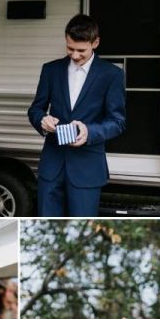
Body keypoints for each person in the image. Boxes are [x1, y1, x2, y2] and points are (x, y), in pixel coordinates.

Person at [27, 13, 126, 216]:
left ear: (95, 42)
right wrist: (42, 120)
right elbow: (35, 109)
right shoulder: (50, 70)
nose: (74, 55)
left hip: (87, 168)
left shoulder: (112, 75)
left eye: (81, 50)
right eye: (70, 48)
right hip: (51, 166)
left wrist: (88, 131)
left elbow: (118, 122)